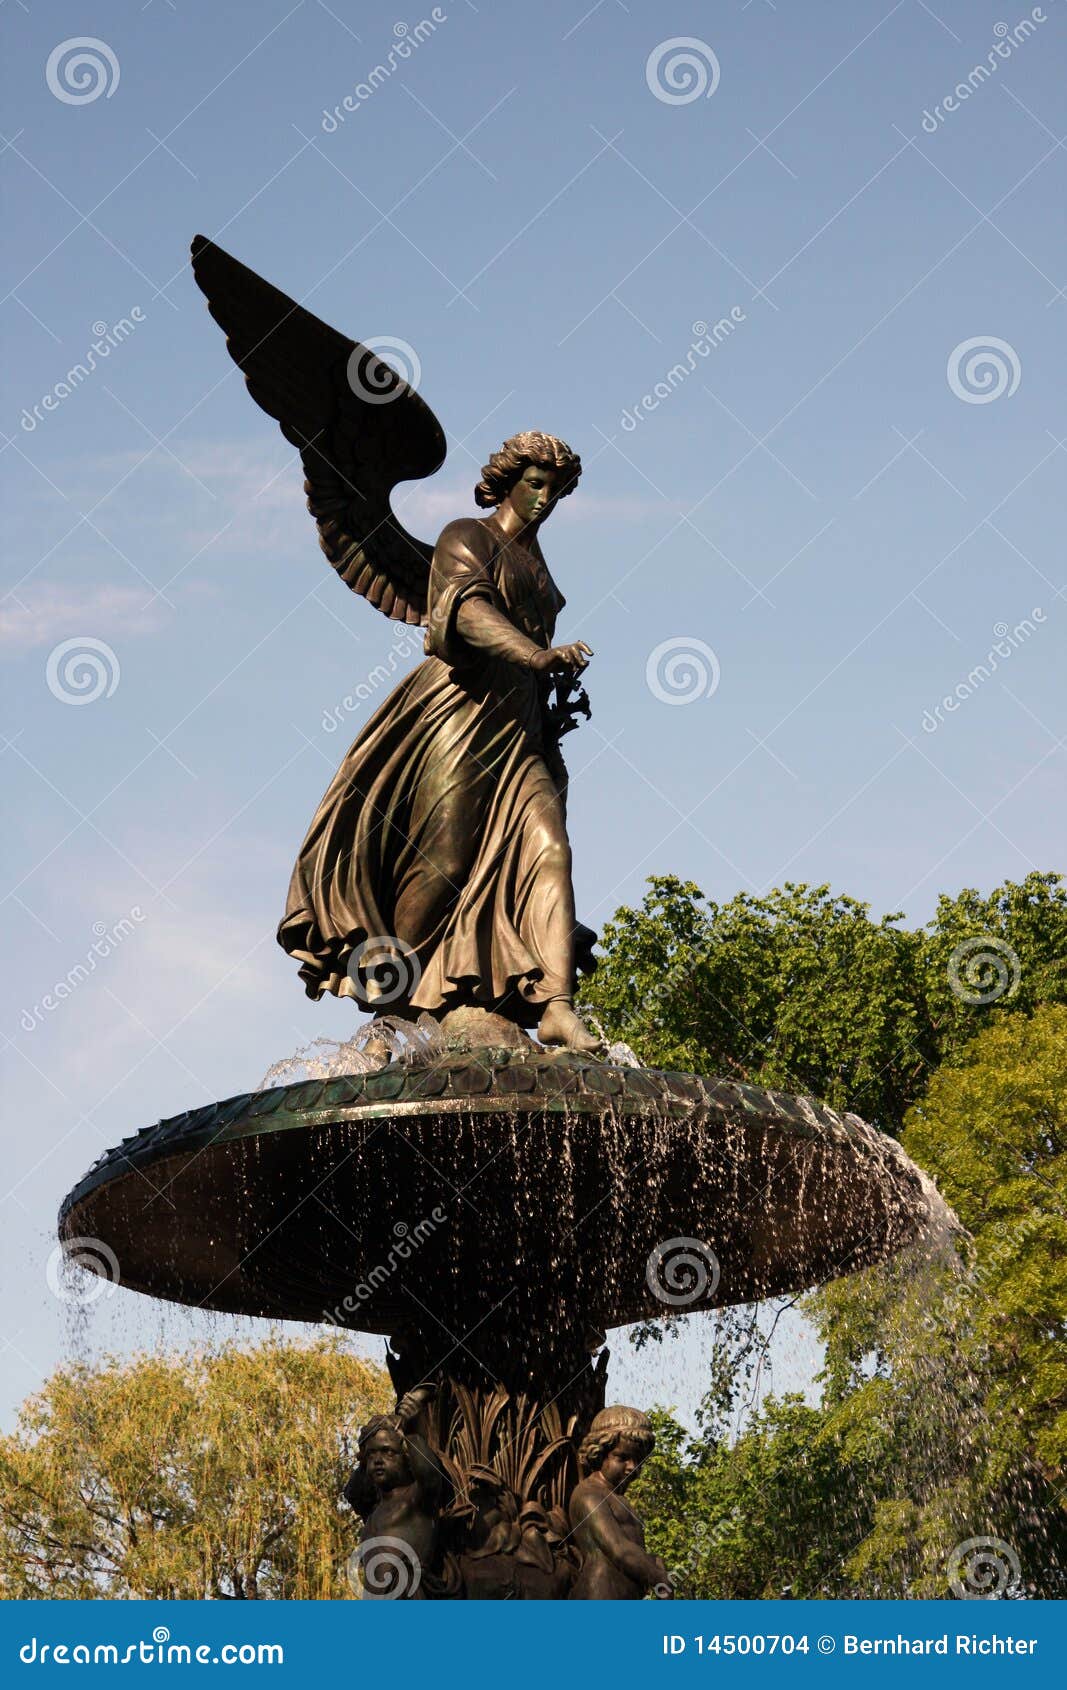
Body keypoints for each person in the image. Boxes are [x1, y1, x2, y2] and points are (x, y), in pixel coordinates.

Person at [279, 432, 603, 1052]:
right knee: (443, 864)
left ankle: (558, 1005)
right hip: (458, 715)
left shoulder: (539, 570)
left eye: (555, 488)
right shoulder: (467, 538)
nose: (544, 498)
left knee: (551, 849)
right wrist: (537, 653)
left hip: (521, 731)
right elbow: (466, 614)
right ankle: (393, 1007)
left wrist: (551, 725)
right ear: (508, 481)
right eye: (534, 483)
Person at [568, 1406, 671, 1600]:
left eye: (638, 1460)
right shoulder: (589, 1494)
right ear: (599, 1454)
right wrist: (657, 1575)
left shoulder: (618, 1499)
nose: (632, 1467)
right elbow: (618, 1548)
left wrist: (654, 1561)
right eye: (622, 1458)